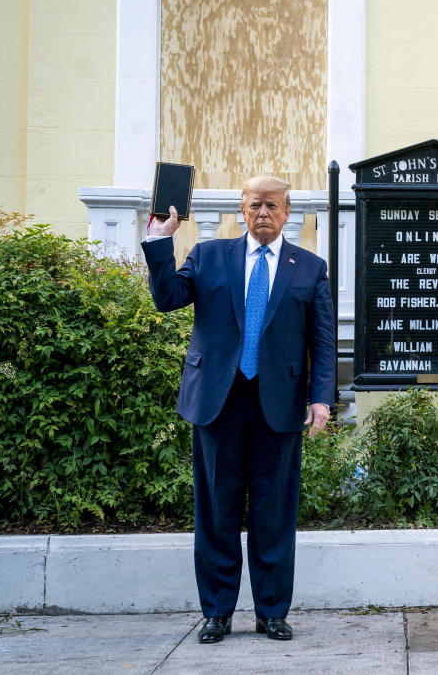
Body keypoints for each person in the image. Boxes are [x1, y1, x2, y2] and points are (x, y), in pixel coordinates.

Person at [142, 175, 336, 644]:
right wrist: (159, 242)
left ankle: (272, 611)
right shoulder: (209, 257)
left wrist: (322, 398)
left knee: (274, 514)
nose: (263, 213)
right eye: (255, 206)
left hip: (279, 406)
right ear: (242, 211)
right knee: (216, 511)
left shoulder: (309, 268)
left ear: (288, 212)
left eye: (272, 205)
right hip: (217, 403)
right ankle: (217, 612)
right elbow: (167, 298)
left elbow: (322, 341)